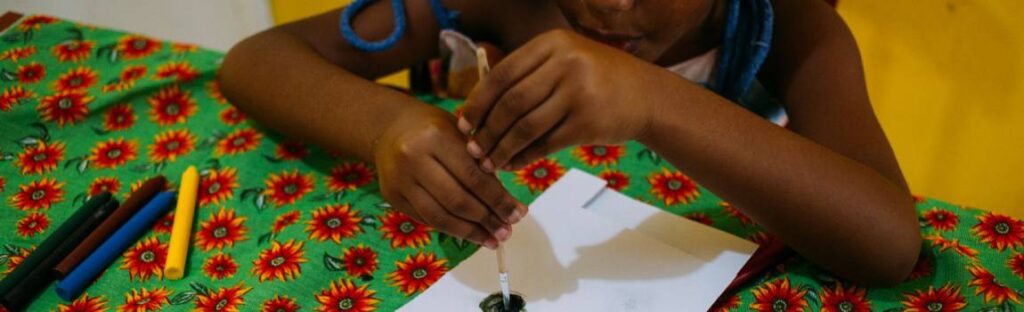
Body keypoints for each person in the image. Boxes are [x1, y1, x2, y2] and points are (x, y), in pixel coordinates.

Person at [218, 0, 921, 285]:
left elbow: (888, 242)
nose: (613, 5)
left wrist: (651, 99)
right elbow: (257, 59)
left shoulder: (791, 27)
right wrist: (384, 125)